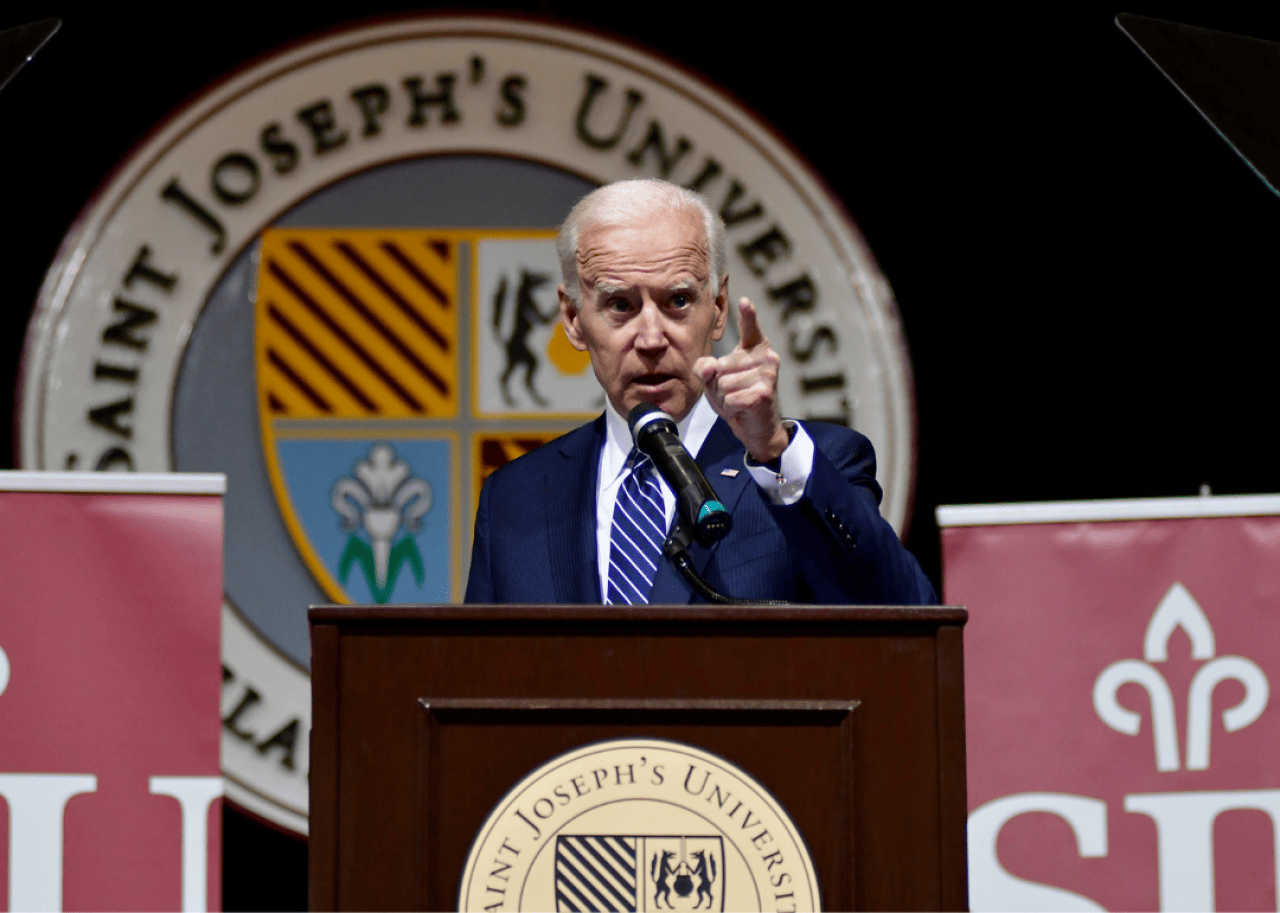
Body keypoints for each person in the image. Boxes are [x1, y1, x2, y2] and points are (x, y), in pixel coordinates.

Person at [464, 179, 935, 605]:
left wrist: (772, 450)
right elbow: (476, 681)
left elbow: (903, 616)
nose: (651, 339)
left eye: (678, 301)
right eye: (620, 305)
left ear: (719, 307)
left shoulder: (811, 464)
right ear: (572, 319)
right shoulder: (515, 498)